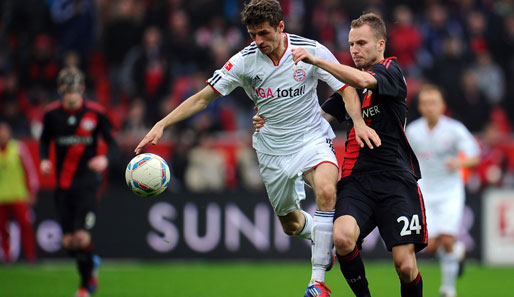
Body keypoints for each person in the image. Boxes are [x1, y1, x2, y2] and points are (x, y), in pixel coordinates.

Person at [135, 1, 379, 296]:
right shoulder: (244, 61)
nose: (258, 41)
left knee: (327, 189)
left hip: (311, 138)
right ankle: (321, 234)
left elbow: (346, 88)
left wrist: (358, 122)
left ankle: (317, 283)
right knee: (290, 225)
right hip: (272, 149)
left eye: (263, 33)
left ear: (280, 27)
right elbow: (202, 98)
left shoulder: (309, 50)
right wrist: (163, 123)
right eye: (253, 35)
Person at [290, 13, 427, 297]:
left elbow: (364, 81)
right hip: (357, 179)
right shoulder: (346, 88)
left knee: (405, 266)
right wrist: (272, 120)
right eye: (351, 43)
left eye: (361, 43)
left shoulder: (391, 72)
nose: (354, 49)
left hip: (396, 180)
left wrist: (317, 60)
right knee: (342, 238)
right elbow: (316, 119)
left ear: (381, 44)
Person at [39, 67, 119, 297]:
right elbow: (45, 140)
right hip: (63, 185)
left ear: (82, 89)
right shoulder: (51, 114)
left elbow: (113, 144)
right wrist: (44, 160)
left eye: (74, 91)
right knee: (68, 242)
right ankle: (91, 261)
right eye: (66, 91)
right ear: (60, 91)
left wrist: (105, 159)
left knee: (80, 236)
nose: (71, 96)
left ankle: (86, 286)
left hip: (88, 183)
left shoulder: (96, 113)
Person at [406, 84, 480, 297]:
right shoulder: (413, 132)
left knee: (447, 239)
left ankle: (448, 289)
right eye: (426, 103)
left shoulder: (454, 129)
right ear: (420, 107)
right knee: (430, 247)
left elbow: (475, 156)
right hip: (425, 192)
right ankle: (458, 252)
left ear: (442, 106)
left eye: (434, 103)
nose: (430, 107)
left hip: (449, 191)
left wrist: (459, 162)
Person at [0, 121, 39, 263]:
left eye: (4, 131)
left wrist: (32, 191)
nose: (2, 135)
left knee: (25, 226)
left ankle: (30, 257)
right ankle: (7, 258)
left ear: (9, 132)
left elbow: (29, 171)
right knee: (3, 230)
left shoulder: (18, 148)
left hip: (19, 195)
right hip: (1, 196)